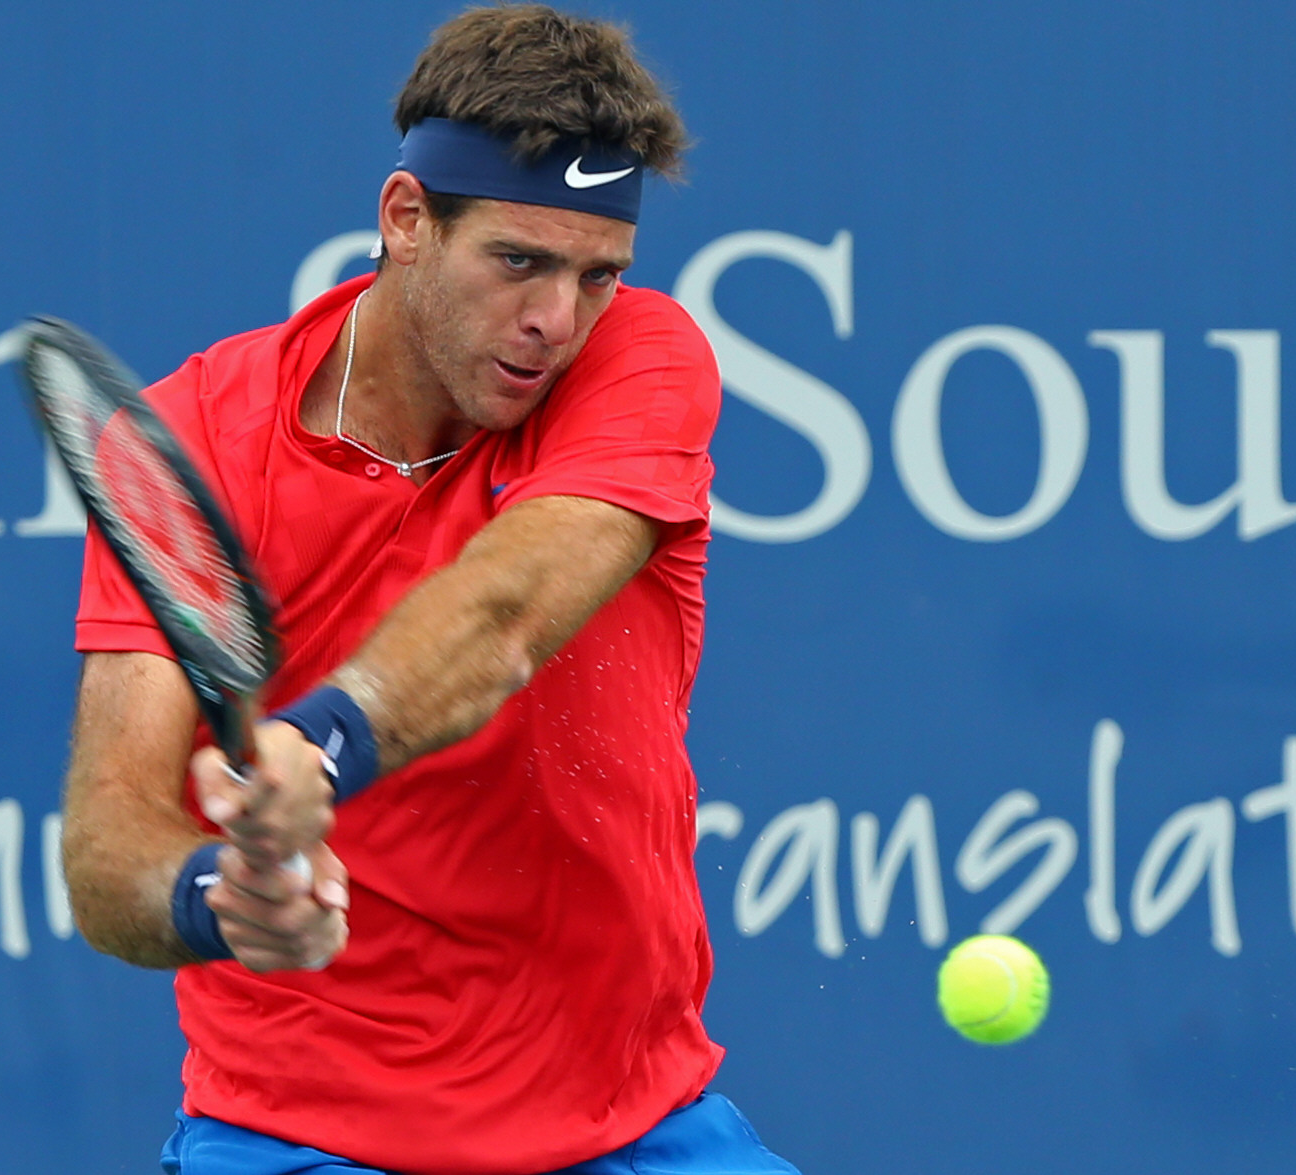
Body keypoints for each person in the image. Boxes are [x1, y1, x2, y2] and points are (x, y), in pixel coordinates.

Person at [63, 5, 800, 1173]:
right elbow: (109, 845)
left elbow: (506, 610)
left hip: (632, 1119)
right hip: (295, 1133)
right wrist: (214, 893)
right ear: (405, 218)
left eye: (596, 274)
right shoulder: (194, 435)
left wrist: (316, 748)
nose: (554, 320)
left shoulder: (641, 355)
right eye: (517, 261)